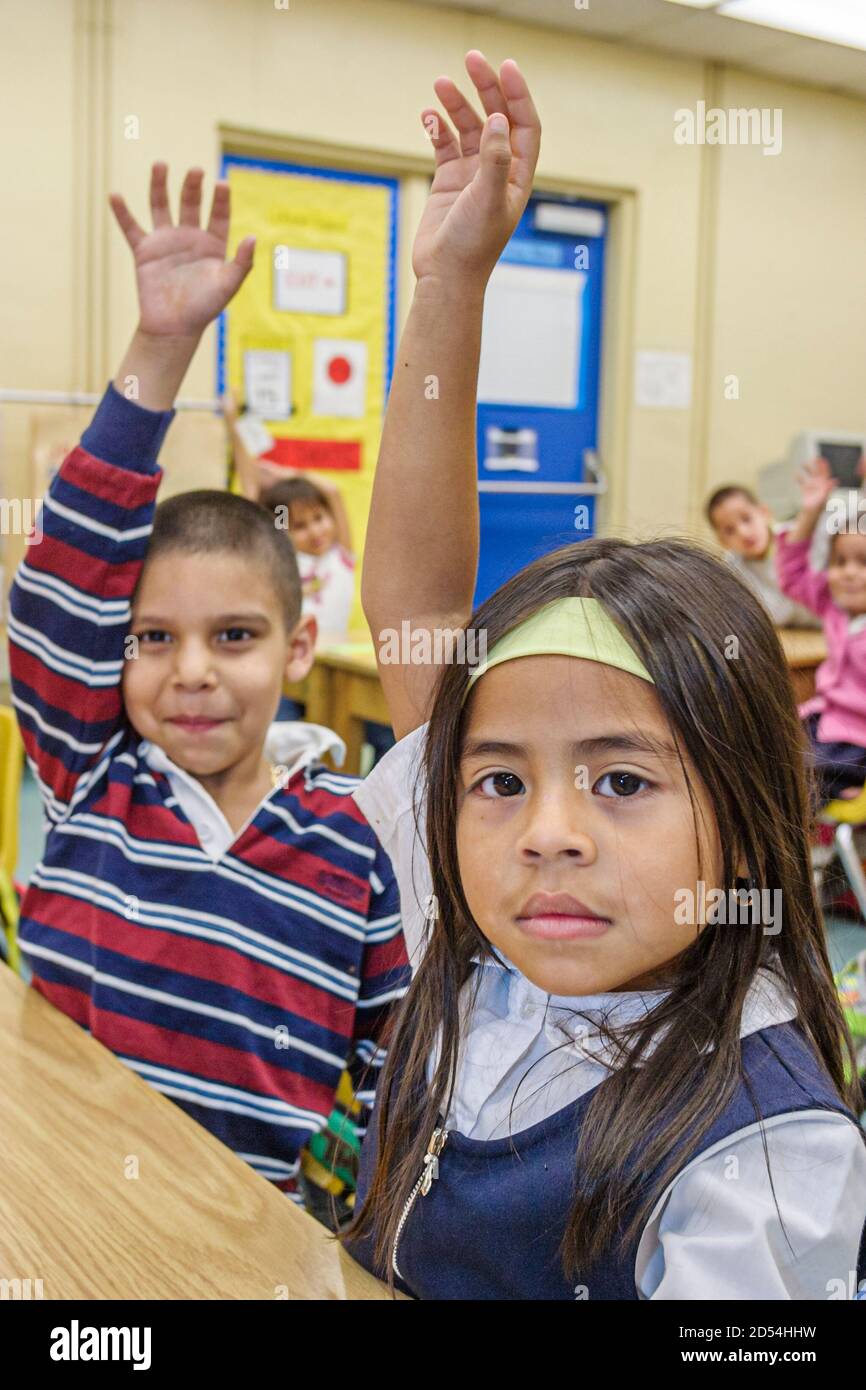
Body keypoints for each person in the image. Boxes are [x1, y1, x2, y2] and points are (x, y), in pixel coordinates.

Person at [342, 52, 866, 1299]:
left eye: (622, 780)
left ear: (744, 825)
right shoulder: (475, 943)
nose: (547, 835)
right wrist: (448, 283)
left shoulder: (764, 1151)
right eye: (496, 782)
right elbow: (416, 610)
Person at [8, 163, 408, 1207]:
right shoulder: (95, 775)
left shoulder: (354, 841)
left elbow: (401, 1072)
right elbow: (62, 587)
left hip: (238, 1228)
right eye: (151, 637)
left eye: (232, 634)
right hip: (42, 1187)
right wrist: (161, 350)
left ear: (296, 644)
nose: (190, 672)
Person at [776, 456, 866, 804]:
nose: (848, 573)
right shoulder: (834, 604)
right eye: (839, 561)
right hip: (823, 724)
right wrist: (810, 514)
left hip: (856, 744)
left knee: (794, 783)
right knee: (760, 754)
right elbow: (793, 574)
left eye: (863, 563)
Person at [706, 485, 819, 629]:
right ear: (722, 541)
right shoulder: (732, 569)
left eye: (747, 519)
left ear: (764, 513)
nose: (743, 533)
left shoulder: (797, 538)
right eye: (729, 530)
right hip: (800, 634)